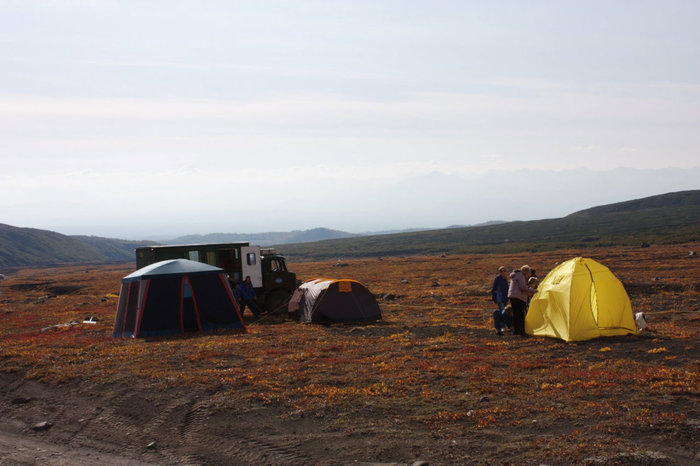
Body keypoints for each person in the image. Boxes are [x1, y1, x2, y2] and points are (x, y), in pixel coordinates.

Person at [508, 265, 537, 336]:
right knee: (520, 314)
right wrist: (532, 290)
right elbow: (522, 287)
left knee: (516, 314)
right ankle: (521, 331)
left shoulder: (516, 275)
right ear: (526, 271)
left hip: (513, 296)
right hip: (518, 297)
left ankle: (516, 331)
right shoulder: (521, 276)